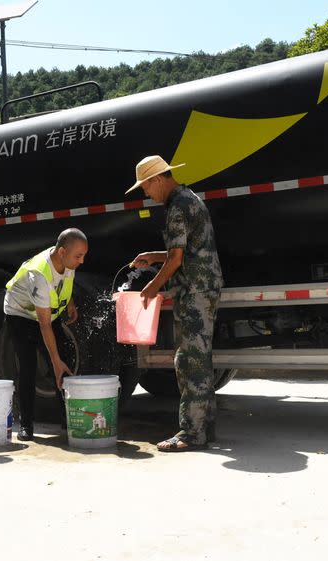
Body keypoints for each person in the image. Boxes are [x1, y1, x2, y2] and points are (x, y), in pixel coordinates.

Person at [125, 155, 224, 452]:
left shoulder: (178, 206)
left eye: (146, 186)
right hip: (203, 286)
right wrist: (154, 257)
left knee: (189, 361)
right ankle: (205, 427)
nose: (146, 193)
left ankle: (190, 434)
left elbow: (178, 259)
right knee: (199, 358)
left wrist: (152, 288)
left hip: (195, 289)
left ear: (157, 180)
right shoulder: (187, 197)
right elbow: (185, 248)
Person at [3, 228, 88, 441]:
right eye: (79, 256)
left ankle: (68, 420)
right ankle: (26, 425)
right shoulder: (39, 274)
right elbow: (44, 324)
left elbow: (63, 283)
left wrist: (70, 303)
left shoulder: (68, 259)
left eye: (84, 255)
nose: (82, 261)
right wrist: (55, 360)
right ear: (61, 252)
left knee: (64, 362)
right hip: (20, 315)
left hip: (46, 313)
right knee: (29, 366)